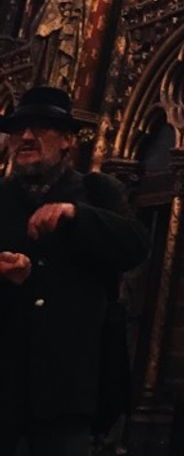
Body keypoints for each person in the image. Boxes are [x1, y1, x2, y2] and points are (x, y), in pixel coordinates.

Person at [0, 86, 149, 456]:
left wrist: (75, 216)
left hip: (68, 392)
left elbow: (135, 245)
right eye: (18, 130)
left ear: (67, 139)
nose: (26, 137)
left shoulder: (96, 193)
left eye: (41, 128)